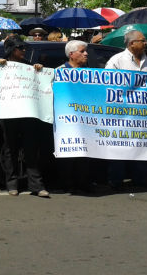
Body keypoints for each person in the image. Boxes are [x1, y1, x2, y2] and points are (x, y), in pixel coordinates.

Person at [104, 30, 147, 190]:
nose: (146, 43)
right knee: (119, 146)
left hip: (142, 114)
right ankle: (115, 180)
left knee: (141, 146)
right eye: (142, 41)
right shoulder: (116, 60)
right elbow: (107, 83)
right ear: (132, 43)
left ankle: (140, 178)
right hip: (121, 114)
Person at [0, 36, 49, 197]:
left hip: (28, 115)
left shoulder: (29, 66)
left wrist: (39, 70)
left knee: (31, 149)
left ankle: (36, 185)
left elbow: (40, 84)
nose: (24, 50)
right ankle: (12, 184)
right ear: (12, 50)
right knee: (10, 149)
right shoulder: (1, 65)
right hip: (9, 115)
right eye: (21, 48)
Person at [56, 40, 93, 193]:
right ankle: (66, 183)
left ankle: (83, 183)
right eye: (82, 51)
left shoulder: (91, 74)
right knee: (67, 153)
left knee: (84, 153)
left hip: (85, 121)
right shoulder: (58, 72)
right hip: (65, 123)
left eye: (86, 51)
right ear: (71, 54)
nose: (86, 54)